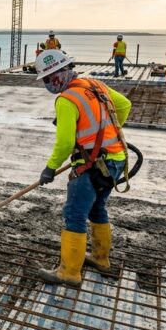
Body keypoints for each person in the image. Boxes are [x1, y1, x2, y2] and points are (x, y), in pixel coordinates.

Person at [35, 49, 131, 286]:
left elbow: (66, 143)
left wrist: (50, 168)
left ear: (59, 74)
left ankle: (68, 273)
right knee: (97, 208)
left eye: (47, 79)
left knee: (74, 215)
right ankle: (100, 259)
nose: (47, 84)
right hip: (116, 160)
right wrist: (106, 131)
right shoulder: (95, 84)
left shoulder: (66, 99)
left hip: (92, 166)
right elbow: (124, 105)